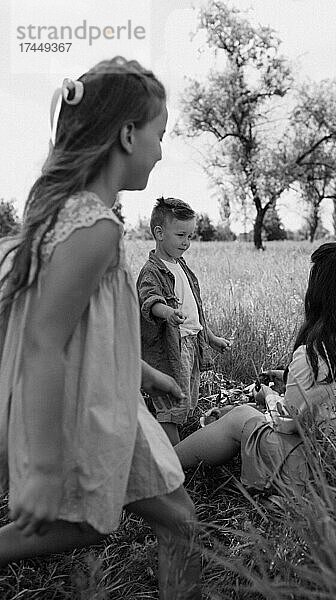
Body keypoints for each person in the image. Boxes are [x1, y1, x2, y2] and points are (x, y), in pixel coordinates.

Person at [0, 57, 201, 599]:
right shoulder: (94, 226)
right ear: (128, 134)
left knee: (105, 522)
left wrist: (146, 374)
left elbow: (86, 329)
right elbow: (44, 341)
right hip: (81, 407)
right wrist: (42, 469)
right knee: (175, 522)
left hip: (111, 399)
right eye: (160, 135)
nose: (161, 150)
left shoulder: (79, 213)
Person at [175, 242, 336, 499]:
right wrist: (286, 378)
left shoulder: (315, 354)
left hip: (330, 473)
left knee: (241, 417)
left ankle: (160, 465)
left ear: (321, 293)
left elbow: (288, 424)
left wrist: (269, 396)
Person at [137, 197, 232, 445]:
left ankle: (167, 438)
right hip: (171, 347)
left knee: (188, 396)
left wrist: (210, 338)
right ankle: (173, 455)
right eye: (181, 235)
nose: (186, 242)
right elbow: (149, 300)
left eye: (190, 236)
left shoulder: (182, 266)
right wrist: (167, 312)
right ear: (159, 233)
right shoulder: (152, 271)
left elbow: (195, 312)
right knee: (173, 402)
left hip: (190, 342)